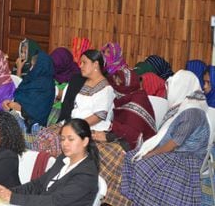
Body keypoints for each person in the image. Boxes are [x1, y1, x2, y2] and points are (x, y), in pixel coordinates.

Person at [121, 70, 210, 205]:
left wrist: (152, 153)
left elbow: (174, 143)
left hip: (187, 158)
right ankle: (135, 200)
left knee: (143, 166)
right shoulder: (183, 107)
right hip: (175, 152)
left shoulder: (192, 112)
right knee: (131, 157)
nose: (168, 93)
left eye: (172, 88)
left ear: (181, 88)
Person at [0, 118, 99, 206]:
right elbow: (38, 184)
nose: (64, 144)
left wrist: (12, 197)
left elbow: (55, 201)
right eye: (62, 139)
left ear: (85, 141)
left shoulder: (87, 173)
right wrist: (9, 192)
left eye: (70, 139)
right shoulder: (63, 159)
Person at [91, 69, 156, 206]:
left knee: (104, 154)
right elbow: (122, 128)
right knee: (92, 145)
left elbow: (134, 136)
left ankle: (107, 195)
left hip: (140, 149)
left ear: (129, 84)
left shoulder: (138, 100)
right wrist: (107, 134)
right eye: (116, 81)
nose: (116, 85)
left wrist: (108, 136)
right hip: (123, 139)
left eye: (120, 82)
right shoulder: (125, 98)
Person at [58, 49, 115, 131]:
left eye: (84, 63)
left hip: (90, 130)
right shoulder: (82, 82)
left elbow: (98, 116)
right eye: (80, 63)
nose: (80, 66)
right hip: (73, 125)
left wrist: (74, 127)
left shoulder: (106, 88)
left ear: (95, 64)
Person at [2, 51, 55, 131]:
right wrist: (10, 104)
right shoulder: (32, 78)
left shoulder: (45, 86)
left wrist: (14, 107)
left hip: (33, 126)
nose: (30, 69)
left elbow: (36, 111)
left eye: (33, 66)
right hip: (18, 116)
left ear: (40, 67)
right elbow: (19, 94)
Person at [47, 47, 80, 125]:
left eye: (57, 65)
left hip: (64, 112)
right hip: (47, 107)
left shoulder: (76, 76)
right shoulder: (50, 71)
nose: (54, 67)